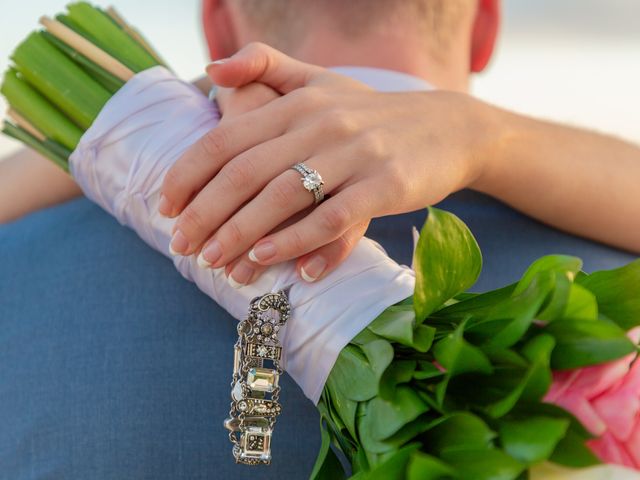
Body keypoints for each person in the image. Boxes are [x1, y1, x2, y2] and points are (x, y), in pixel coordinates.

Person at [0, 1, 637, 479]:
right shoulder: (616, 299)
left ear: (218, 31)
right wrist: (491, 137)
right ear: (484, 29)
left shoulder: (17, 274)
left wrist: (152, 118)